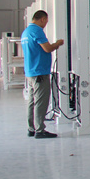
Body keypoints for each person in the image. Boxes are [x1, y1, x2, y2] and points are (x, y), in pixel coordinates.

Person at [21, 10, 65, 139]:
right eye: (46, 21)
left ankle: (31, 128)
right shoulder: (37, 31)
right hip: (39, 72)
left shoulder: (26, 32)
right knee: (41, 102)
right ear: (42, 19)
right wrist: (57, 43)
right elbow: (47, 48)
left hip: (30, 72)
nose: (46, 24)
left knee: (32, 102)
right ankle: (40, 130)